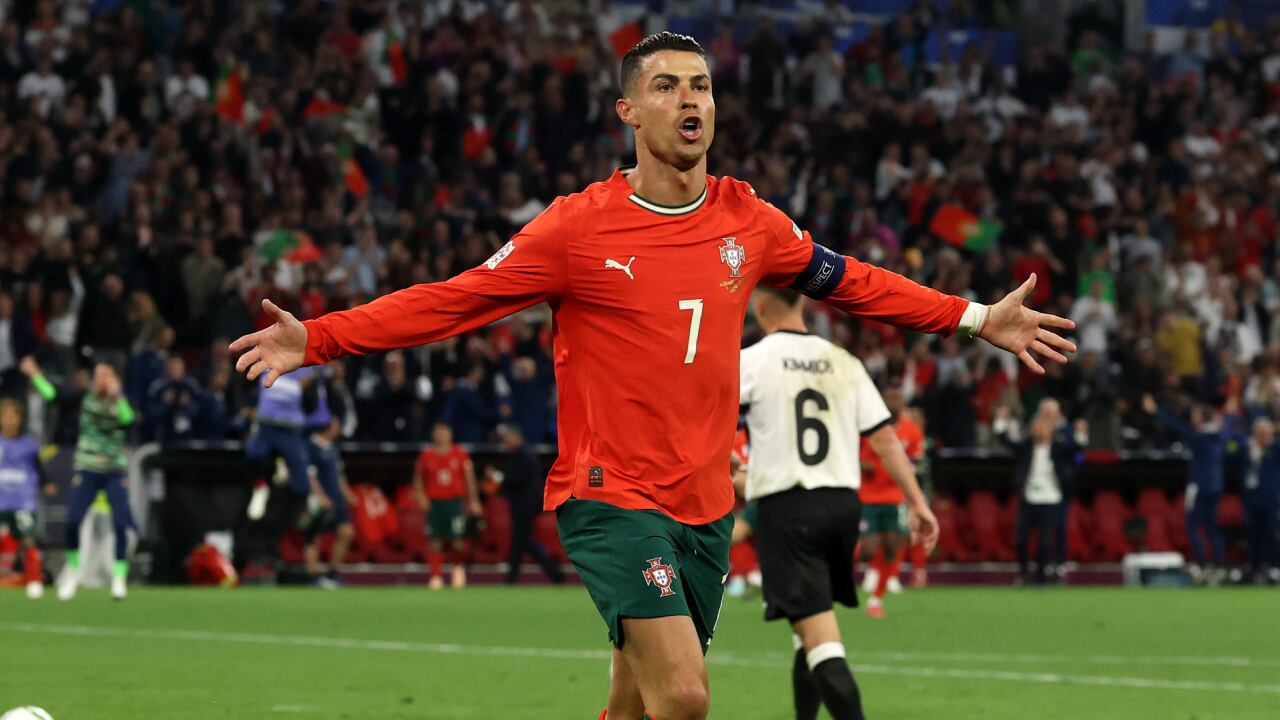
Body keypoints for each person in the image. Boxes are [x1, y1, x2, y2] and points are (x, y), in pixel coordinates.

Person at [229, 32, 1075, 720]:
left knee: (632, 704)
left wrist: (973, 318)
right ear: (628, 111)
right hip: (610, 493)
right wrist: (321, 340)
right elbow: (457, 300)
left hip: (705, 502)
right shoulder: (576, 230)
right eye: (667, 86)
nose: (691, 100)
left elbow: (856, 281)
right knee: (686, 696)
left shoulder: (753, 221)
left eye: (702, 85)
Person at [739, 286, 939, 720]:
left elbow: (710, 421)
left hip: (789, 510)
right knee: (806, 631)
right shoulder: (844, 362)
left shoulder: (752, 361)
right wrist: (919, 502)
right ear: (804, 305)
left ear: (759, 306)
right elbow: (885, 438)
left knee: (822, 643)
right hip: (842, 507)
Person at [25, 359, 138, 601]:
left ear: (115, 379)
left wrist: (118, 397)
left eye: (105, 375)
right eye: (97, 375)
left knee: (120, 524)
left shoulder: (120, 403)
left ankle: (119, 578)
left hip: (113, 472)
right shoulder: (82, 398)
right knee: (72, 521)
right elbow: (53, 395)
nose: (100, 380)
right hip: (87, 469)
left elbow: (128, 421)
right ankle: (74, 571)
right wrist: (35, 375)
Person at [1142, 394, 1237, 584]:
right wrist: (1231, 411)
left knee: (1192, 525)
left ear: (1202, 418)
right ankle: (1217, 565)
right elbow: (1229, 422)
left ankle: (1201, 565)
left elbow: (1176, 426)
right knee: (1212, 527)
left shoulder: (1199, 436)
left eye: (1195, 415)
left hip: (1199, 486)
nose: (1192, 418)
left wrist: (1155, 412)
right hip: (1216, 486)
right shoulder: (1220, 435)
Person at [240, 366, 321, 574]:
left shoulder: (306, 370)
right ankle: (261, 485)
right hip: (267, 425)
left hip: (290, 430)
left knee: (301, 480)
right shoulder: (267, 362)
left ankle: (304, 508)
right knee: (254, 454)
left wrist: (308, 389)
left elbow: (312, 408)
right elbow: (246, 388)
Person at [993, 406, 1087, 585]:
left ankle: (1042, 577)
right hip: (1028, 499)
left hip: (1051, 499)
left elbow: (1077, 448)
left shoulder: (1058, 448)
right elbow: (1006, 441)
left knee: (1044, 542)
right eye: (1036, 427)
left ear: (1051, 430)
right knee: (1020, 540)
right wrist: (1000, 422)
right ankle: (1023, 573)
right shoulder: (1026, 448)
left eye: (1043, 427)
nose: (1039, 430)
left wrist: (1080, 432)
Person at [856, 386, 925, 617]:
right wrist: (866, 466)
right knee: (869, 547)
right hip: (868, 496)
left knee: (893, 546)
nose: (893, 405)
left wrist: (907, 468)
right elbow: (854, 456)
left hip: (896, 496)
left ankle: (876, 599)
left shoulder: (911, 431)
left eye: (897, 402)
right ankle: (837, 570)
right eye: (889, 402)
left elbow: (917, 458)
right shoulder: (868, 428)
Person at [0, 384, 55, 599]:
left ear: (20, 419)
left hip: (22, 502)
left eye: (14, 416)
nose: (10, 420)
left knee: (29, 539)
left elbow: (39, 467)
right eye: (5, 416)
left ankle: (34, 580)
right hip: (1, 502)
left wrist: (46, 483)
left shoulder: (28, 444)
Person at [301, 370, 355, 589]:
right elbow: (309, 474)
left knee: (346, 532)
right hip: (320, 499)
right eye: (335, 423)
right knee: (314, 536)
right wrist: (320, 496)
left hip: (336, 497)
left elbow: (339, 473)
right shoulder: (311, 446)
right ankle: (313, 575)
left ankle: (332, 572)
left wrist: (348, 494)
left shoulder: (332, 448)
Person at [414, 422, 482, 590]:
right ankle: (436, 576)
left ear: (450, 434)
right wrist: (421, 497)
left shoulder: (460, 454)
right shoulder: (426, 455)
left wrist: (473, 500)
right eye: (438, 432)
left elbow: (469, 478)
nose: (441, 435)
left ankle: (457, 569)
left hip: (455, 502)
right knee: (434, 540)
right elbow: (418, 479)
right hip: (435, 503)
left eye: (444, 431)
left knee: (457, 540)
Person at [495, 423, 564, 585]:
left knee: (523, 542)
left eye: (507, 440)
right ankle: (513, 578)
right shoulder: (523, 454)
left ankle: (555, 573)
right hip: (524, 506)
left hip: (525, 506)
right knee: (520, 543)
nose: (505, 444)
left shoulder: (524, 456)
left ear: (515, 437)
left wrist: (499, 479)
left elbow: (517, 480)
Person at [1237, 417, 1280, 584]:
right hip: (1251, 499)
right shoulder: (1247, 449)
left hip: (1270, 499)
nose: (1262, 437)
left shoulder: (1275, 449)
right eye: (1259, 433)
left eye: (1265, 433)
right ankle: (1253, 568)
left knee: (1270, 534)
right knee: (1252, 535)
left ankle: (1274, 567)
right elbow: (1231, 450)